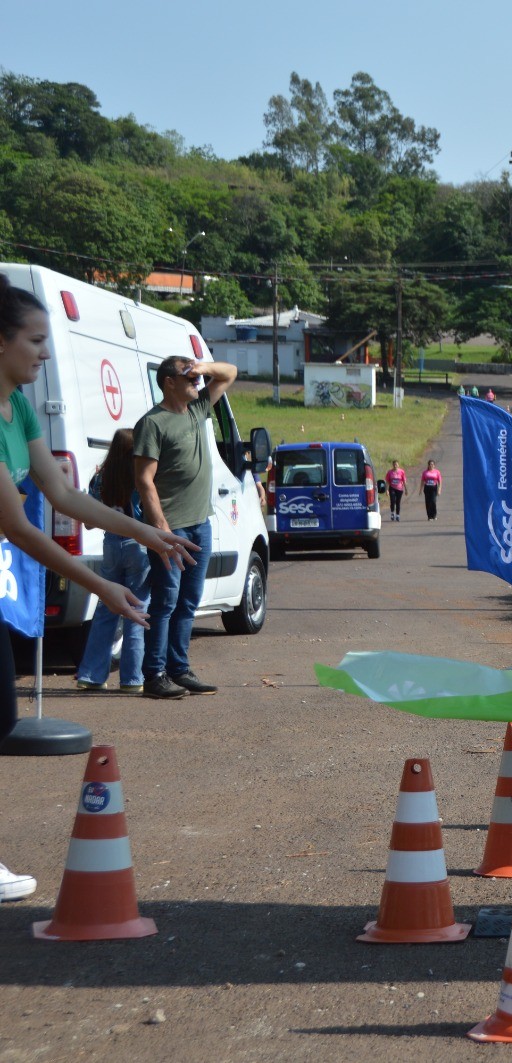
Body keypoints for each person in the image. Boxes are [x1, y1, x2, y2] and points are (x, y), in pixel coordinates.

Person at [0, 277, 196, 897]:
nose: (46, 353)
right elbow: (20, 526)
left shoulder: (20, 406)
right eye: (35, 340)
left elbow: (62, 496)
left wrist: (148, 533)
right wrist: (104, 588)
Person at [133, 353, 241, 700]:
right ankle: (155, 675)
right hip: (172, 528)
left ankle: (179, 669)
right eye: (188, 378)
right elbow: (144, 481)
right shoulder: (153, 423)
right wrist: (161, 530)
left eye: (196, 378)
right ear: (168, 383)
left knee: (189, 601)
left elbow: (230, 373)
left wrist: (202, 368)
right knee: (165, 600)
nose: (197, 383)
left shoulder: (197, 410)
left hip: (200, 524)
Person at [75, 429, 151, 694]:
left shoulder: (101, 478)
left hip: (111, 545)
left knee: (106, 610)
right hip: (138, 546)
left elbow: (88, 520)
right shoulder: (141, 476)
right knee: (136, 611)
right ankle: (132, 679)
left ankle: (91, 675)